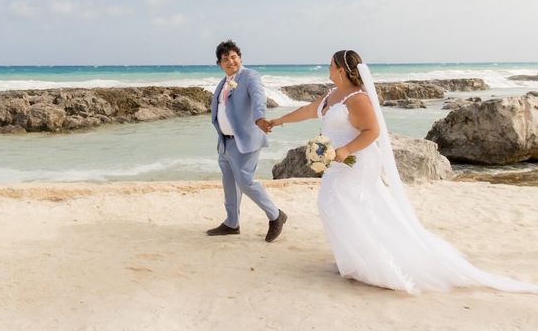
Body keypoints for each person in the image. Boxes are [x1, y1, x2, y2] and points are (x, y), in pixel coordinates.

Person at [270, 49, 538, 294]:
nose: (327, 68)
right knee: (334, 204)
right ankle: (353, 260)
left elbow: (372, 131)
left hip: (356, 161)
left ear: (341, 70)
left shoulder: (358, 98)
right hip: (338, 163)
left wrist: (346, 150)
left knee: (344, 204)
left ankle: (373, 262)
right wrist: (278, 120)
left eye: (330, 65)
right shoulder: (332, 94)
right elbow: (308, 110)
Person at [207, 40, 287, 242]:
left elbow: (259, 98)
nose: (230, 61)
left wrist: (260, 118)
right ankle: (232, 223)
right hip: (224, 142)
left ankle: (276, 215)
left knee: (245, 182)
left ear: (240, 58)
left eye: (233, 57)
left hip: (245, 140)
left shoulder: (250, 77)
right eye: (225, 59)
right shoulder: (222, 83)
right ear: (220, 64)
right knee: (229, 183)